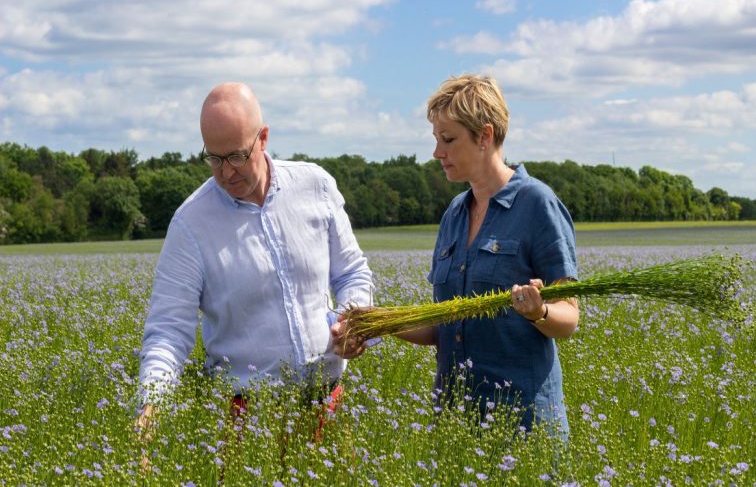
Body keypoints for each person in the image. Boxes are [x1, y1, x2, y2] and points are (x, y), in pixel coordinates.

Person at [136, 82, 373, 431]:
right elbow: (169, 330)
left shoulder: (316, 186)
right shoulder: (190, 224)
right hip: (245, 416)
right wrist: (151, 405)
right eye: (214, 159)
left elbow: (352, 272)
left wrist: (354, 321)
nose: (226, 172)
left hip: (327, 399)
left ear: (263, 138)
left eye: (236, 156)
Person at [396, 74, 579, 439]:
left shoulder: (537, 204)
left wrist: (538, 312)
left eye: (448, 140)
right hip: (455, 420)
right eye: (436, 140)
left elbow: (569, 317)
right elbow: (446, 326)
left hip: (522, 426)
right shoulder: (453, 214)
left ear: (485, 135)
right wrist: (382, 323)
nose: (437, 153)